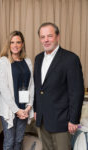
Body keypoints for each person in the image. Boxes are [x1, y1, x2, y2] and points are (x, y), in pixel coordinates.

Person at [34, 22, 84, 150]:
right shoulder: (38, 58)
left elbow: (76, 92)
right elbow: (38, 87)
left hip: (62, 120)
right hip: (42, 118)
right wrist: (36, 109)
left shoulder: (70, 59)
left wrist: (74, 119)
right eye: (42, 37)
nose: (46, 40)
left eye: (49, 36)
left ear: (57, 36)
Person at [0, 31, 34, 150]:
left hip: (24, 109)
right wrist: (16, 110)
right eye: (12, 42)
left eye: (18, 42)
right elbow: (4, 89)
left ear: (22, 44)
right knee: (9, 142)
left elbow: (32, 85)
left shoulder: (27, 61)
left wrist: (28, 106)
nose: (15, 45)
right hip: (10, 108)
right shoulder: (4, 61)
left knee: (19, 141)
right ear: (8, 44)